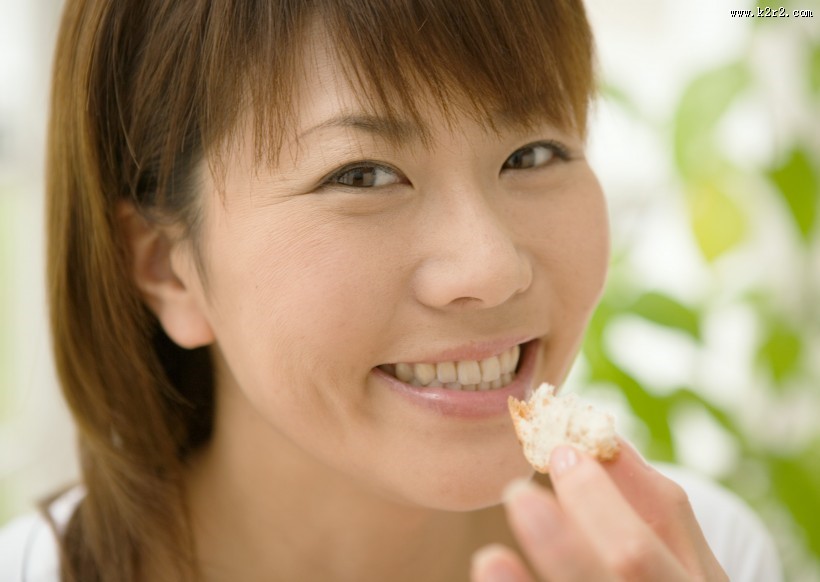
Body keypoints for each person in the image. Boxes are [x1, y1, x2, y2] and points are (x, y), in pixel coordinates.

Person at [0, 0, 782, 580]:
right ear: (169, 267)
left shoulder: (695, 554)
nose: (492, 266)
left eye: (534, 153)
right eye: (362, 175)